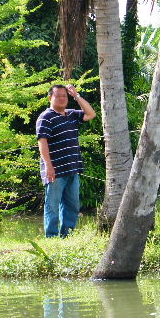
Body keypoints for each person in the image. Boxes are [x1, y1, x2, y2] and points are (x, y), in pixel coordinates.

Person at [36, 84, 96, 238]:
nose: (62, 99)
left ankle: (67, 236)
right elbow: (42, 143)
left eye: (65, 96)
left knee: (72, 205)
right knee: (53, 206)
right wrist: (49, 167)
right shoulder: (46, 117)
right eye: (58, 96)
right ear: (50, 98)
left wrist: (76, 96)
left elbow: (91, 114)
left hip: (72, 168)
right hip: (54, 171)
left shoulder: (71, 114)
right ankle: (51, 237)